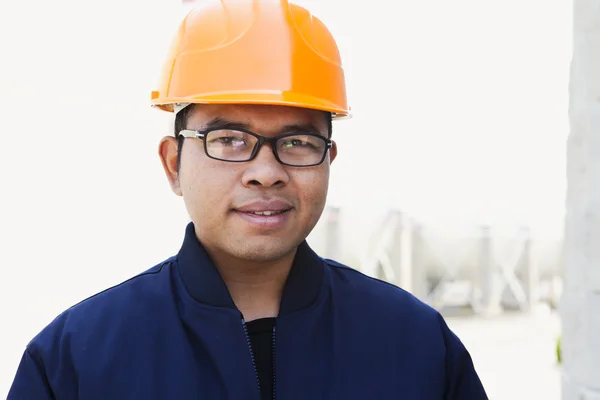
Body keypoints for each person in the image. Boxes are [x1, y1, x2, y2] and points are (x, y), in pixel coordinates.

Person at [7, 1, 488, 399]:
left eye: (297, 143)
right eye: (230, 139)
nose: (266, 173)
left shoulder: (417, 346)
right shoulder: (76, 359)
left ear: (329, 160)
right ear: (173, 163)